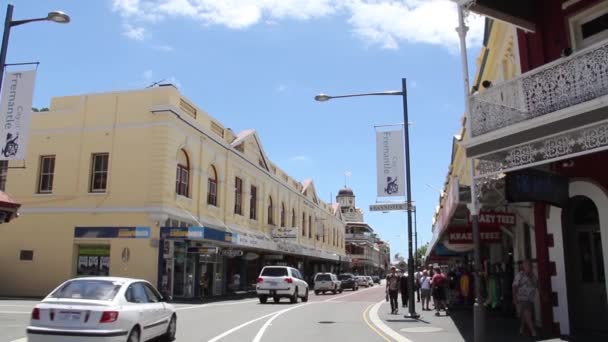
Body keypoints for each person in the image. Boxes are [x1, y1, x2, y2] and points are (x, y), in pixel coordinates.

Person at [512, 260, 537, 338]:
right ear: (524, 267)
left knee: (524, 313)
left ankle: (522, 328)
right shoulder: (520, 275)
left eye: (530, 266)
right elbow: (514, 286)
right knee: (527, 313)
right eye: (527, 267)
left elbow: (536, 285)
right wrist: (515, 297)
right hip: (523, 297)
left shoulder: (533, 275)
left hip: (530, 297)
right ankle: (533, 331)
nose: (529, 268)